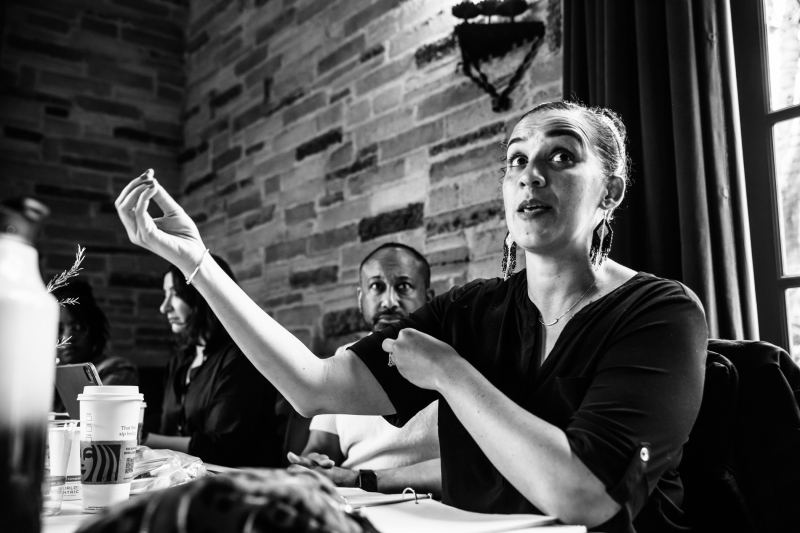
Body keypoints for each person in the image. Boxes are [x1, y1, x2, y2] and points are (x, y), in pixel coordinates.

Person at [114, 100, 706, 532]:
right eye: (516, 160)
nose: (532, 174)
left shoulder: (660, 313)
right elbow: (311, 386)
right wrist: (197, 263)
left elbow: (587, 496)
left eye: (561, 155)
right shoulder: (471, 310)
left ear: (611, 192)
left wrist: (450, 374)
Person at [288, 243, 441, 496]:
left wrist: (359, 480)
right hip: (348, 501)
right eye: (376, 286)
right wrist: (313, 465)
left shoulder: (449, 360)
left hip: (423, 502)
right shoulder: (342, 359)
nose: (389, 301)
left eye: (404, 286)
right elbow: (320, 446)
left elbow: (471, 470)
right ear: (361, 298)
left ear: (429, 296)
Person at [143, 256, 282, 468]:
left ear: (204, 294)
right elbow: (167, 429)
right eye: (165, 294)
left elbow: (221, 449)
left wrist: (143, 440)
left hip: (238, 479)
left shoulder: (242, 358)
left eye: (176, 294)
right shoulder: (180, 362)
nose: (164, 307)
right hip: (185, 477)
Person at [53, 280, 138, 386]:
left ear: (94, 328)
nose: (67, 338)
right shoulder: (47, 374)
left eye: (78, 328)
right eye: (59, 330)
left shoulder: (116, 369)